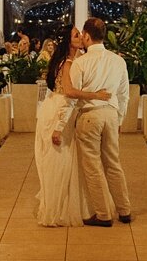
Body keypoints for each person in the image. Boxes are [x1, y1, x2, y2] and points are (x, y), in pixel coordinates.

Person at [54, 16, 132, 227]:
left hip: (89, 116)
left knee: (93, 166)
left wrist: (59, 126)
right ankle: (124, 210)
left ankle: (104, 214)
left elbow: (72, 98)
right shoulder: (118, 61)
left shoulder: (80, 63)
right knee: (113, 163)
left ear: (87, 36)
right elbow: (124, 94)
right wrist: (119, 119)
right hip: (111, 114)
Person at [34, 24, 113, 226]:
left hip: (55, 107)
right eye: (76, 35)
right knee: (63, 160)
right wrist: (98, 96)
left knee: (67, 159)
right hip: (62, 111)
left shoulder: (71, 61)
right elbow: (69, 92)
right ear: (69, 41)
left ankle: (65, 205)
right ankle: (61, 208)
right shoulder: (69, 63)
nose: (81, 37)